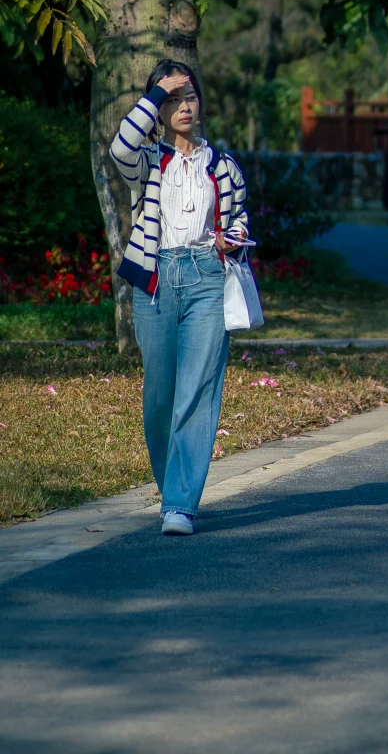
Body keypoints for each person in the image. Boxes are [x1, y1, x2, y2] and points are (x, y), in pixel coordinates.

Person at [110, 60, 249, 536]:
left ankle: (179, 504)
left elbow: (239, 217)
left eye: (188, 97)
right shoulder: (147, 162)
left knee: (198, 391)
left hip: (207, 278)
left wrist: (232, 236)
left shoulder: (223, 166)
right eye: (172, 99)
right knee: (160, 393)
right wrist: (154, 95)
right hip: (155, 281)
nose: (183, 106)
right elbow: (120, 146)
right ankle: (170, 485)